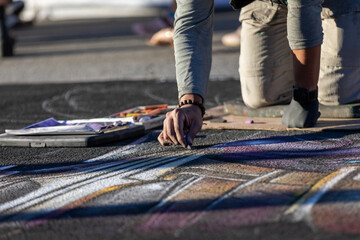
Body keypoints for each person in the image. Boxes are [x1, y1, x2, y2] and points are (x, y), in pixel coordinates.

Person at [158, 0, 360, 148]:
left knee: (337, 93)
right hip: (267, 4)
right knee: (260, 95)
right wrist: (191, 102)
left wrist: (304, 94)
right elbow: (192, 21)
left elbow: (303, 5)